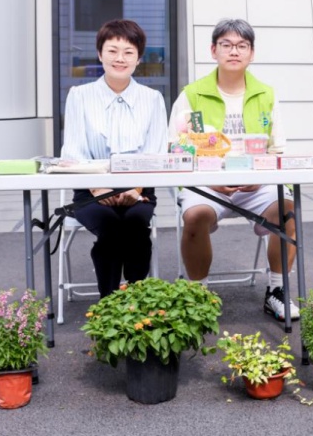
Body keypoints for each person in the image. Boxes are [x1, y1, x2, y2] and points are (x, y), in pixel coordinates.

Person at [168, 18, 298, 321]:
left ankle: (277, 291)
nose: (234, 51)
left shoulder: (266, 95)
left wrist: (259, 179)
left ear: (252, 53)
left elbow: (276, 151)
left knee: (288, 212)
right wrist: (210, 181)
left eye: (242, 45)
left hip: (256, 184)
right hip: (207, 183)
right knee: (195, 217)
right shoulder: (192, 95)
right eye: (226, 44)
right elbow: (177, 150)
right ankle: (198, 297)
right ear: (213, 50)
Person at [60, 19, 168, 297]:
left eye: (128, 52)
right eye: (112, 50)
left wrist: (137, 189)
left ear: (139, 58)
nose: (120, 58)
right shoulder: (79, 96)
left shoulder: (153, 99)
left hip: (139, 190)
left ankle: (135, 301)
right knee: (109, 225)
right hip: (90, 191)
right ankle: (109, 303)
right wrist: (98, 188)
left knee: (135, 225)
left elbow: (157, 152)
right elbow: (73, 151)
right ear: (100, 54)